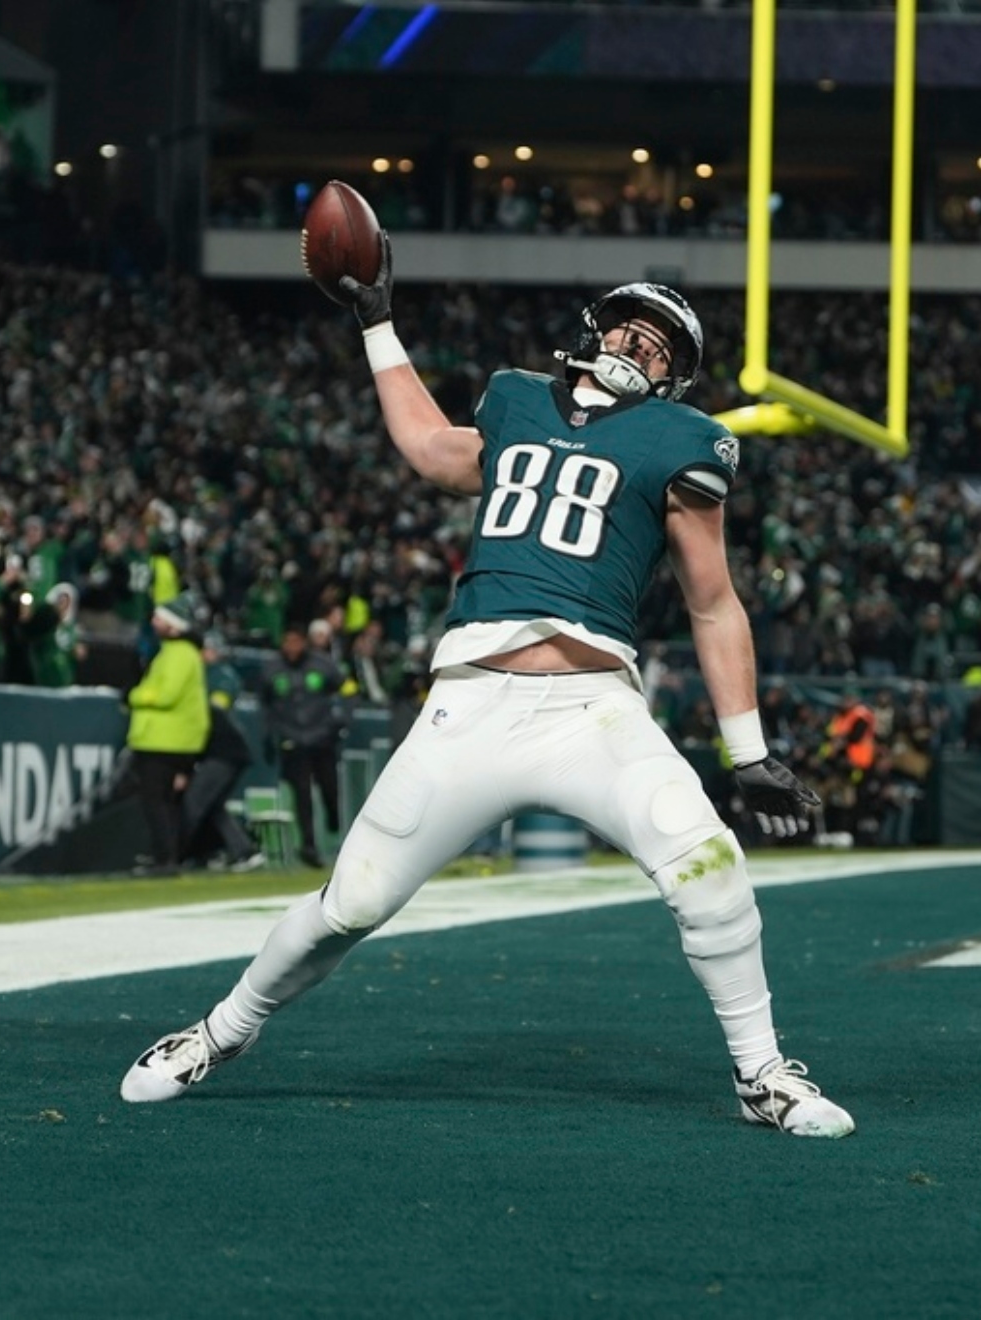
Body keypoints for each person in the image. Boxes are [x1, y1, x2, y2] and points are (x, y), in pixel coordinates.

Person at [121, 257, 848, 1137]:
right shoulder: (516, 399)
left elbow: (712, 598)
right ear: (591, 329)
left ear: (676, 377)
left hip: (593, 709)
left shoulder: (682, 440)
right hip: (470, 706)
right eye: (628, 328)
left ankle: (761, 1074)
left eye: (659, 347)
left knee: (712, 871)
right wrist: (377, 322)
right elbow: (431, 450)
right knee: (349, 905)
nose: (637, 347)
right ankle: (219, 1033)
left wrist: (748, 750)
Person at [123, 590, 210, 875]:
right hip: (174, 740)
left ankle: (165, 859)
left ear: (173, 625)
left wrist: (134, 696)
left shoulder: (178, 653)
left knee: (156, 802)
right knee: (166, 803)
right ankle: (168, 857)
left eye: (160, 618)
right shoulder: (183, 652)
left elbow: (166, 694)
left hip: (164, 741)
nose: (154, 622)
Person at [260, 621, 349, 868]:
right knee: (302, 794)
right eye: (287, 641)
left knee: (329, 788)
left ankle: (334, 820)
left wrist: (340, 721)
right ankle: (308, 846)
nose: (292, 647)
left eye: (296, 641)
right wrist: (271, 736)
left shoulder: (323, 665)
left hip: (321, 737)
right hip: (292, 739)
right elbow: (265, 704)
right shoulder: (271, 669)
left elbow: (346, 689)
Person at [181, 631, 265, 871]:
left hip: (223, 748)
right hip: (219, 748)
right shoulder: (199, 673)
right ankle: (241, 851)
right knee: (213, 806)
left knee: (194, 803)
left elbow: (216, 708)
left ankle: (178, 856)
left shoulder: (222, 675)